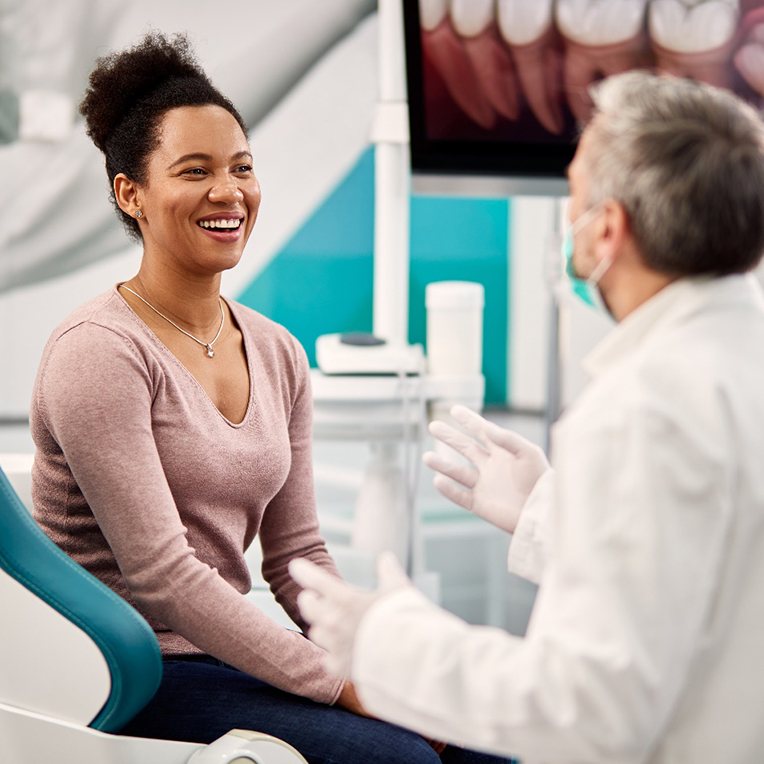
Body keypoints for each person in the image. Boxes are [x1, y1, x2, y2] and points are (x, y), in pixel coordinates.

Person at [29, 31, 508, 764]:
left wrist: (372, 656)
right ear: (132, 193)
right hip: (124, 671)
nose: (229, 192)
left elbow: (297, 555)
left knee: (488, 742)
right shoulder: (99, 352)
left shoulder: (278, 350)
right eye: (195, 171)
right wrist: (340, 683)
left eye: (241, 168)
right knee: (400, 760)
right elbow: (163, 577)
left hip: (226, 655)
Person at [290, 71, 764, 763]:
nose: (565, 222)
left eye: (573, 196)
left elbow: (586, 709)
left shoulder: (644, 406)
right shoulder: (737, 360)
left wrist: (391, 642)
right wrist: (553, 515)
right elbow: (711, 582)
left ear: (607, 230)